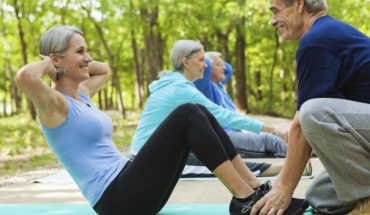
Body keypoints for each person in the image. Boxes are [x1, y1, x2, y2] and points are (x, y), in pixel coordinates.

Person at [15, 25, 304, 215]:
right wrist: (51, 63)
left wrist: (73, 60)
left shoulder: (83, 95)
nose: (88, 58)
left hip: (131, 183)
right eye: (80, 51)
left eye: (86, 50)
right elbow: (25, 77)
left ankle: (252, 189)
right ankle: (244, 200)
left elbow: (104, 70)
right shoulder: (54, 105)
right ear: (55, 59)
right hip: (116, 199)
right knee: (188, 113)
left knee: (197, 111)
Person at [251, 0, 370, 214]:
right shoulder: (326, 33)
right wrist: (278, 185)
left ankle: (367, 199)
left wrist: (284, 188)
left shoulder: (317, 40)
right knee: (318, 196)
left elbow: (304, 123)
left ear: (298, 4)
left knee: (313, 112)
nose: (272, 21)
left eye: (276, 11)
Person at [130, 40, 290, 178]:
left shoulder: (173, 83)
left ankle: (284, 170)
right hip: (150, 160)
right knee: (222, 167)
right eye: (201, 60)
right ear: (186, 62)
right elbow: (223, 116)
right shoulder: (180, 89)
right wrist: (273, 130)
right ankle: (284, 171)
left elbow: (227, 72)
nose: (206, 65)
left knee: (214, 146)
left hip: (149, 153)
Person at [194, 51, 288, 158]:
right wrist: (204, 54)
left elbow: (229, 69)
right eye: (219, 65)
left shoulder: (218, 84)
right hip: (222, 136)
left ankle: (304, 149)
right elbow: (209, 64)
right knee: (269, 140)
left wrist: (217, 59)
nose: (224, 67)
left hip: (233, 132)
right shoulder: (204, 87)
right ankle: (302, 153)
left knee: (273, 138)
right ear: (208, 68)